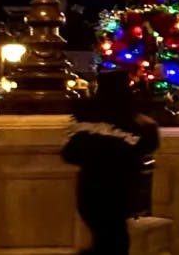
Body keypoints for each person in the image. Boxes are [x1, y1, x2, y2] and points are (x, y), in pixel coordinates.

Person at [62, 69, 160, 255]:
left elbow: (70, 154)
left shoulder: (85, 117)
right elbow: (148, 146)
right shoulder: (138, 122)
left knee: (102, 233)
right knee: (115, 235)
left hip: (90, 187)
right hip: (121, 186)